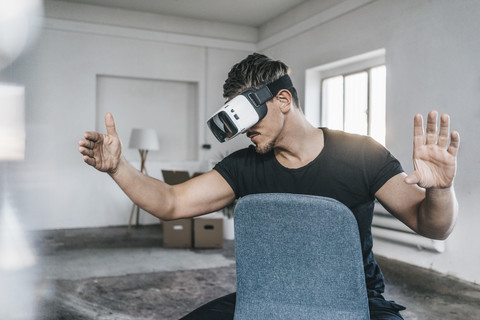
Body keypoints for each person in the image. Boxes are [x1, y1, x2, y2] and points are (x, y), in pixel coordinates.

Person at [78, 53, 460, 320]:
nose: (243, 129)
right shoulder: (244, 166)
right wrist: (119, 168)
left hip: (352, 298)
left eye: (245, 114)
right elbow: (171, 203)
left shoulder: (361, 154)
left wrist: (440, 189)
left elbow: (433, 226)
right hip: (267, 296)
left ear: (282, 99)